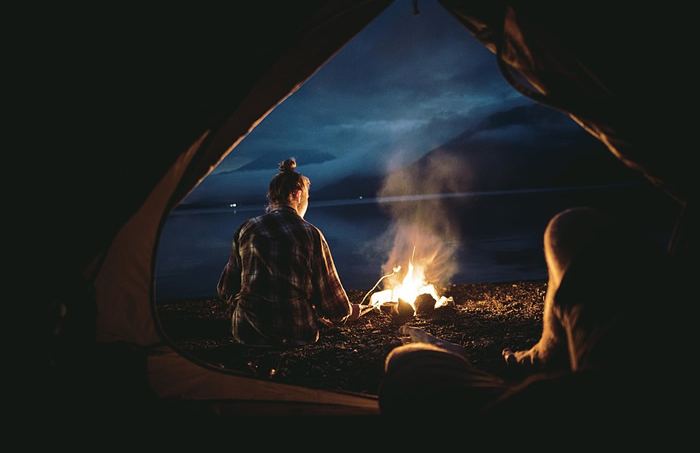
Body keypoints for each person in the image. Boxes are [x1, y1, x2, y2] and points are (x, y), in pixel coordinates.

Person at [378, 206, 685, 428]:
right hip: (671, 326)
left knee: (407, 361)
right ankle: (544, 356)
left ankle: (525, 367)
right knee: (570, 228)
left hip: (620, 393)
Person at [217, 158, 360, 348]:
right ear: (298, 195)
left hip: (245, 333)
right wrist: (350, 310)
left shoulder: (247, 229)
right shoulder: (311, 234)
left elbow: (225, 290)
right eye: (307, 198)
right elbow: (336, 308)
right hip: (295, 334)